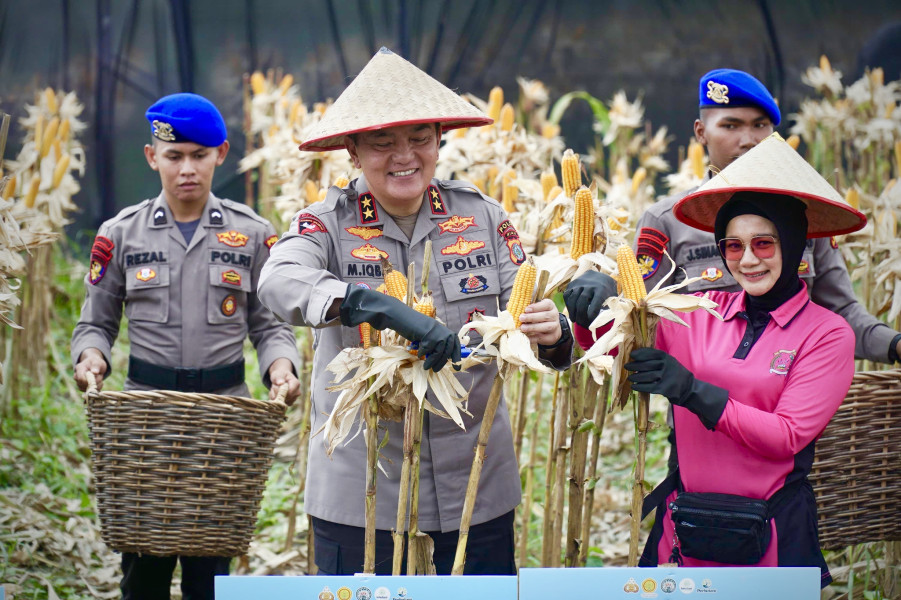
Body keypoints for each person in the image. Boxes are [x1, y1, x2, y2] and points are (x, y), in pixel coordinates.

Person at [258, 47, 572, 575]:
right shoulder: (325, 224)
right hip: (363, 492)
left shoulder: (482, 216)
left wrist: (554, 334)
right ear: (353, 152)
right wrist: (371, 305)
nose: (404, 156)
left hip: (475, 483)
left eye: (419, 139)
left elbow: (531, 319)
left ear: (440, 142)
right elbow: (278, 280)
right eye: (382, 143)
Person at [566, 133, 867, 586]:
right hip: (685, 531)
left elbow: (786, 436)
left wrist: (691, 391)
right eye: (733, 246)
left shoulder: (826, 333)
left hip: (771, 535)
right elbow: (619, 338)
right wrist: (597, 302)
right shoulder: (700, 309)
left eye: (763, 243)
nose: (747, 260)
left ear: (791, 243)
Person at [71, 92, 302, 600]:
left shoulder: (252, 234)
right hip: (144, 422)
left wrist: (281, 368)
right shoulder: (120, 234)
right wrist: (91, 359)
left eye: (199, 155)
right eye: (174, 156)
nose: (187, 169)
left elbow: (270, 325)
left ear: (221, 154)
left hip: (224, 420)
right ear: (153, 157)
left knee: (211, 570)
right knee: (144, 567)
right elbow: (95, 323)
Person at [636, 68, 901, 365]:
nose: (748, 140)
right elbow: (642, 322)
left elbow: (840, 312)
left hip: (799, 394)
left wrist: (894, 344)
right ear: (701, 133)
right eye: (731, 125)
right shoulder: (668, 220)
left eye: (760, 125)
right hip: (700, 400)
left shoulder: (808, 215)